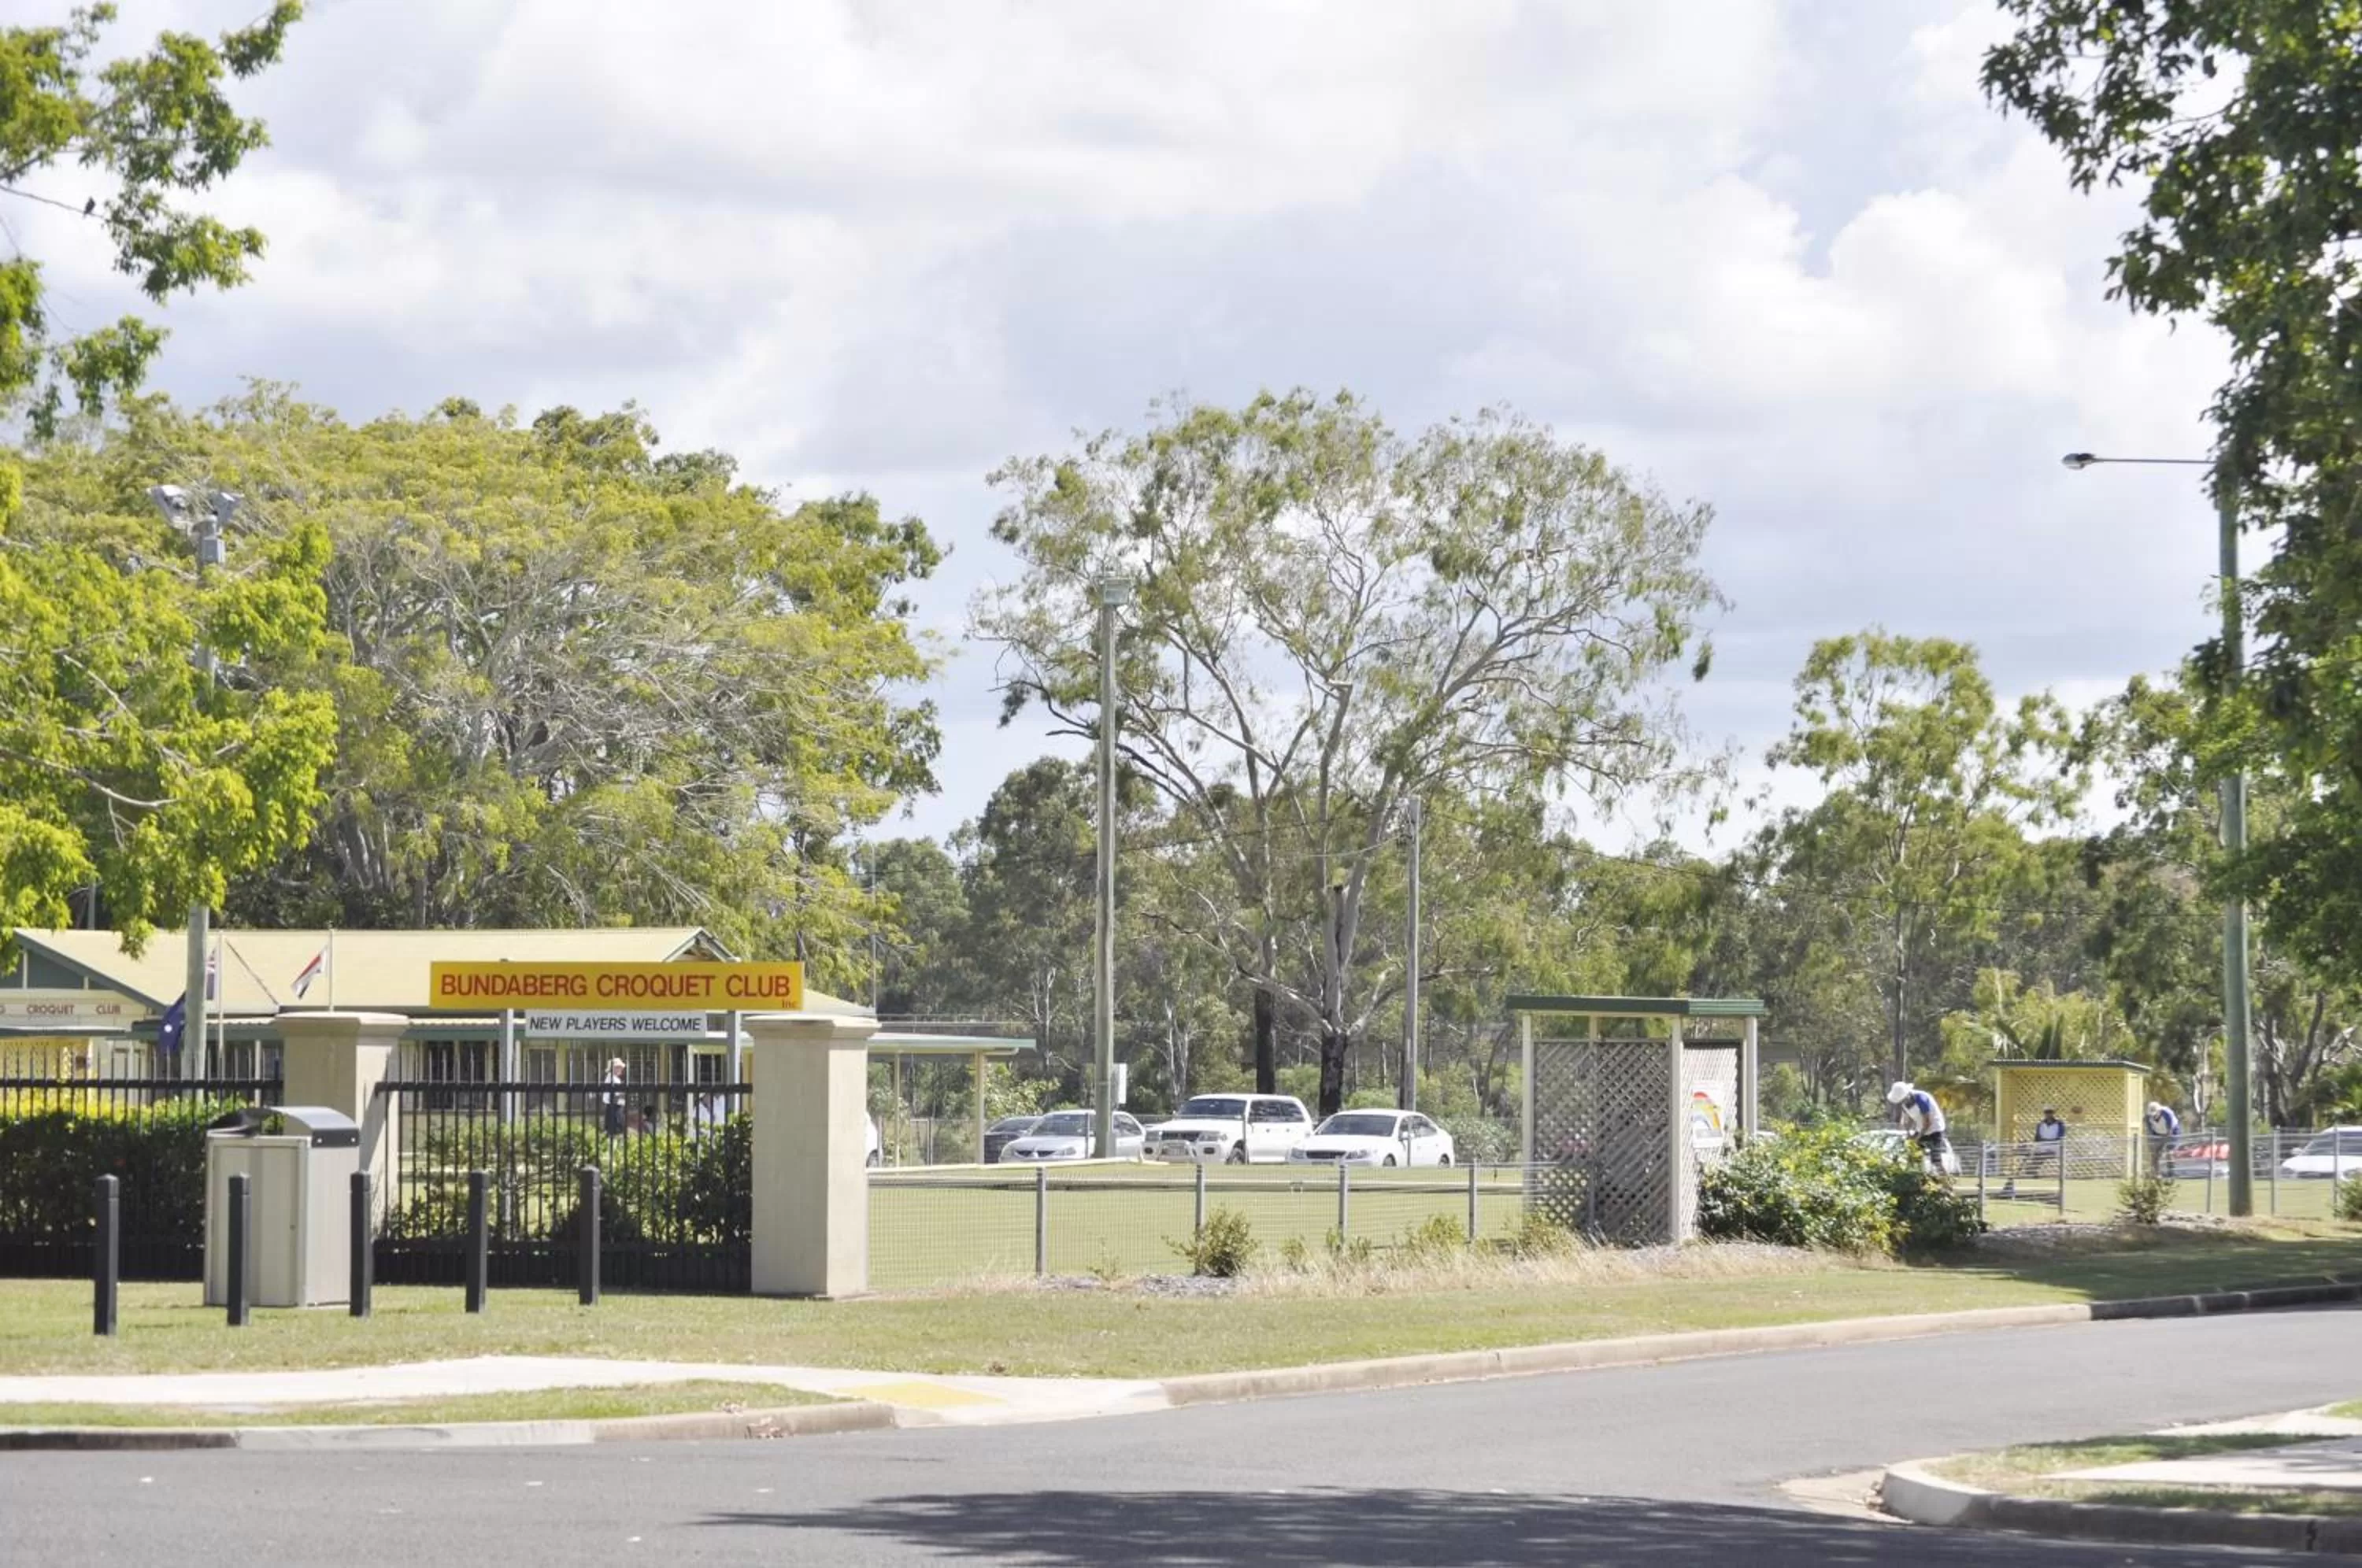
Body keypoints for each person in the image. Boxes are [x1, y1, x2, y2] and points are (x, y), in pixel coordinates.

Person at [1887, 1080, 1956, 1175]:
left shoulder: (1921, 1099)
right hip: (1921, 1129)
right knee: (1913, 1156)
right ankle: (1916, 1180)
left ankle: (1947, 1184)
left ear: (1908, 1094)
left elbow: (1927, 1122)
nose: (1902, 1102)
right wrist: (1909, 1133)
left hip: (1935, 1129)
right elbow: (1909, 1119)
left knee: (1936, 1161)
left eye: (1903, 1099)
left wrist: (1917, 1138)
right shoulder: (1904, 1103)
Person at [2145, 1100, 2182, 1172]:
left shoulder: (2167, 1114)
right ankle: (2157, 1174)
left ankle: (2171, 1173)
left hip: (2173, 1132)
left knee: (2169, 1152)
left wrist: (2165, 1140)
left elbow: (2170, 1130)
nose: (2154, 1116)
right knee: (2155, 1154)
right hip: (2158, 1133)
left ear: (2159, 1111)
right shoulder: (2148, 1118)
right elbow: (2150, 1131)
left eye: (2156, 1113)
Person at [601, 1057, 627, 1137]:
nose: (621, 1069)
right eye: (619, 1067)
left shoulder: (613, 1078)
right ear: (614, 1068)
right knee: (616, 1131)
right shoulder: (612, 1078)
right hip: (614, 1107)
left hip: (615, 1107)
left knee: (613, 1131)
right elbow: (615, 1095)